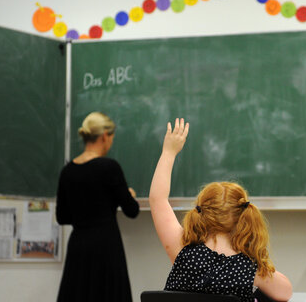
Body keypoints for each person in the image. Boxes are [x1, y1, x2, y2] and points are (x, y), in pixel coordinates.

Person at [149, 118, 293, 302]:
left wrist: (168, 152)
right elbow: (285, 293)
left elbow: (157, 199)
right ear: (243, 217)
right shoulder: (248, 268)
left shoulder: (182, 249)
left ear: (202, 211)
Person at [56, 112, 140, 302]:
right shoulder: (109, 167)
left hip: (79, 247)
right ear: (104, 136)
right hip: (106, 247)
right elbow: (131, 211)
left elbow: (63, 217)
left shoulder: (68, 171)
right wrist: (129, 196)